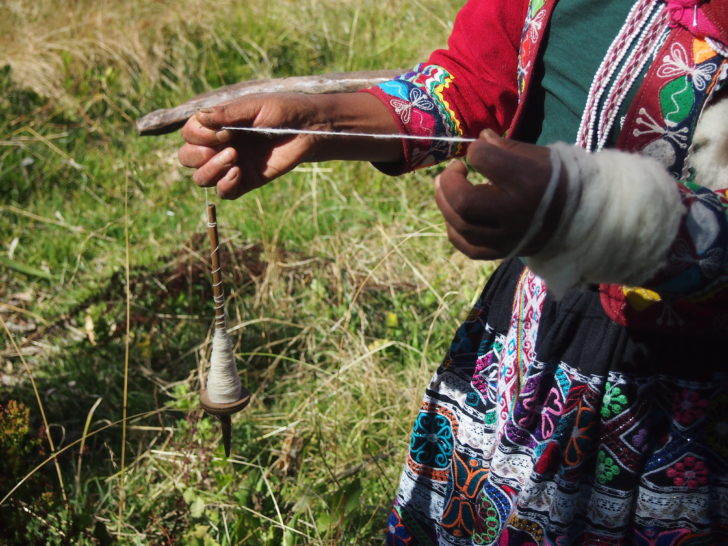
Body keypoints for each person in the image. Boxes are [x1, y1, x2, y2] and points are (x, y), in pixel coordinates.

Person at [178, 0, 728, 542]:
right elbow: (472, 82)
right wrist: (320, 121)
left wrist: (594, 215)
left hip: (693, 394)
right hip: (530, 345)